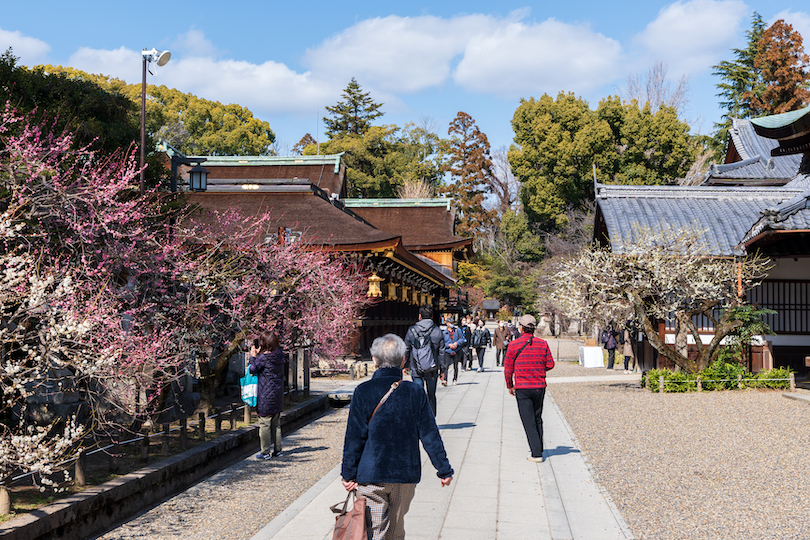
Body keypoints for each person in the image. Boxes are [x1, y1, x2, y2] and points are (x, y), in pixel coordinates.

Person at [341, 334, 454, 540]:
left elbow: (354, 437)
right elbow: (429, 434)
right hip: (405, 474)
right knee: (396, 530)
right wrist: (443, 469)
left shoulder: (363, 391)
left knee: (375, 531)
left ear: (374, 360)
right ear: (403, 360)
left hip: (371, 474)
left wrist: (348, 473)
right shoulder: (415, 392)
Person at [504, 314, 555, 463]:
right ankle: (538, 447)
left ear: (521, 328)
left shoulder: (514, 345)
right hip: (539, 386)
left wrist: (509, 385)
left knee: (528, 420)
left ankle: (536, 454)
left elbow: (508, 369)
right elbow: (550, 364)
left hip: (523, 386)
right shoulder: (543, 344)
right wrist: (538, 369)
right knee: (537, 418)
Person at [404, 305, 446, 415]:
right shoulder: (437, 331)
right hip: (432, 369)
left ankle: (419, 421)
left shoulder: (411, 330)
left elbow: (406, 349)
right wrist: (443, 370)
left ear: (419, 316)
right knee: (431, 395)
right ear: (432, 317)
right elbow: (442, 353)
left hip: (416, 368)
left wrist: (405, 365)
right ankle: (431, 420)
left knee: (418, 395)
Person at [249, 330, 285, 459]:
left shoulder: (263, 358)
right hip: (277, 393)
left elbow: (252, 369)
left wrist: (253, 356)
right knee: (276, 423)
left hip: (265, 394)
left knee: (264, 424)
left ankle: (265, 452)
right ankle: (278, 450)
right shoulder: (280, 354)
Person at [442, 317, 465, 386]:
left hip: (456, 350)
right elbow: (442, 343)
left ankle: (455, 379)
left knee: (455, 366)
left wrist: (456, 343)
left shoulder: (457, 330)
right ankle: (445, 380)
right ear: (447, 323)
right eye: (450, 323)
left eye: (452, 323)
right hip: (448, 351)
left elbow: (462, 339)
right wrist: (448, 345)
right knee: (446, 366)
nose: (452, 324)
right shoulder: (444, 333)